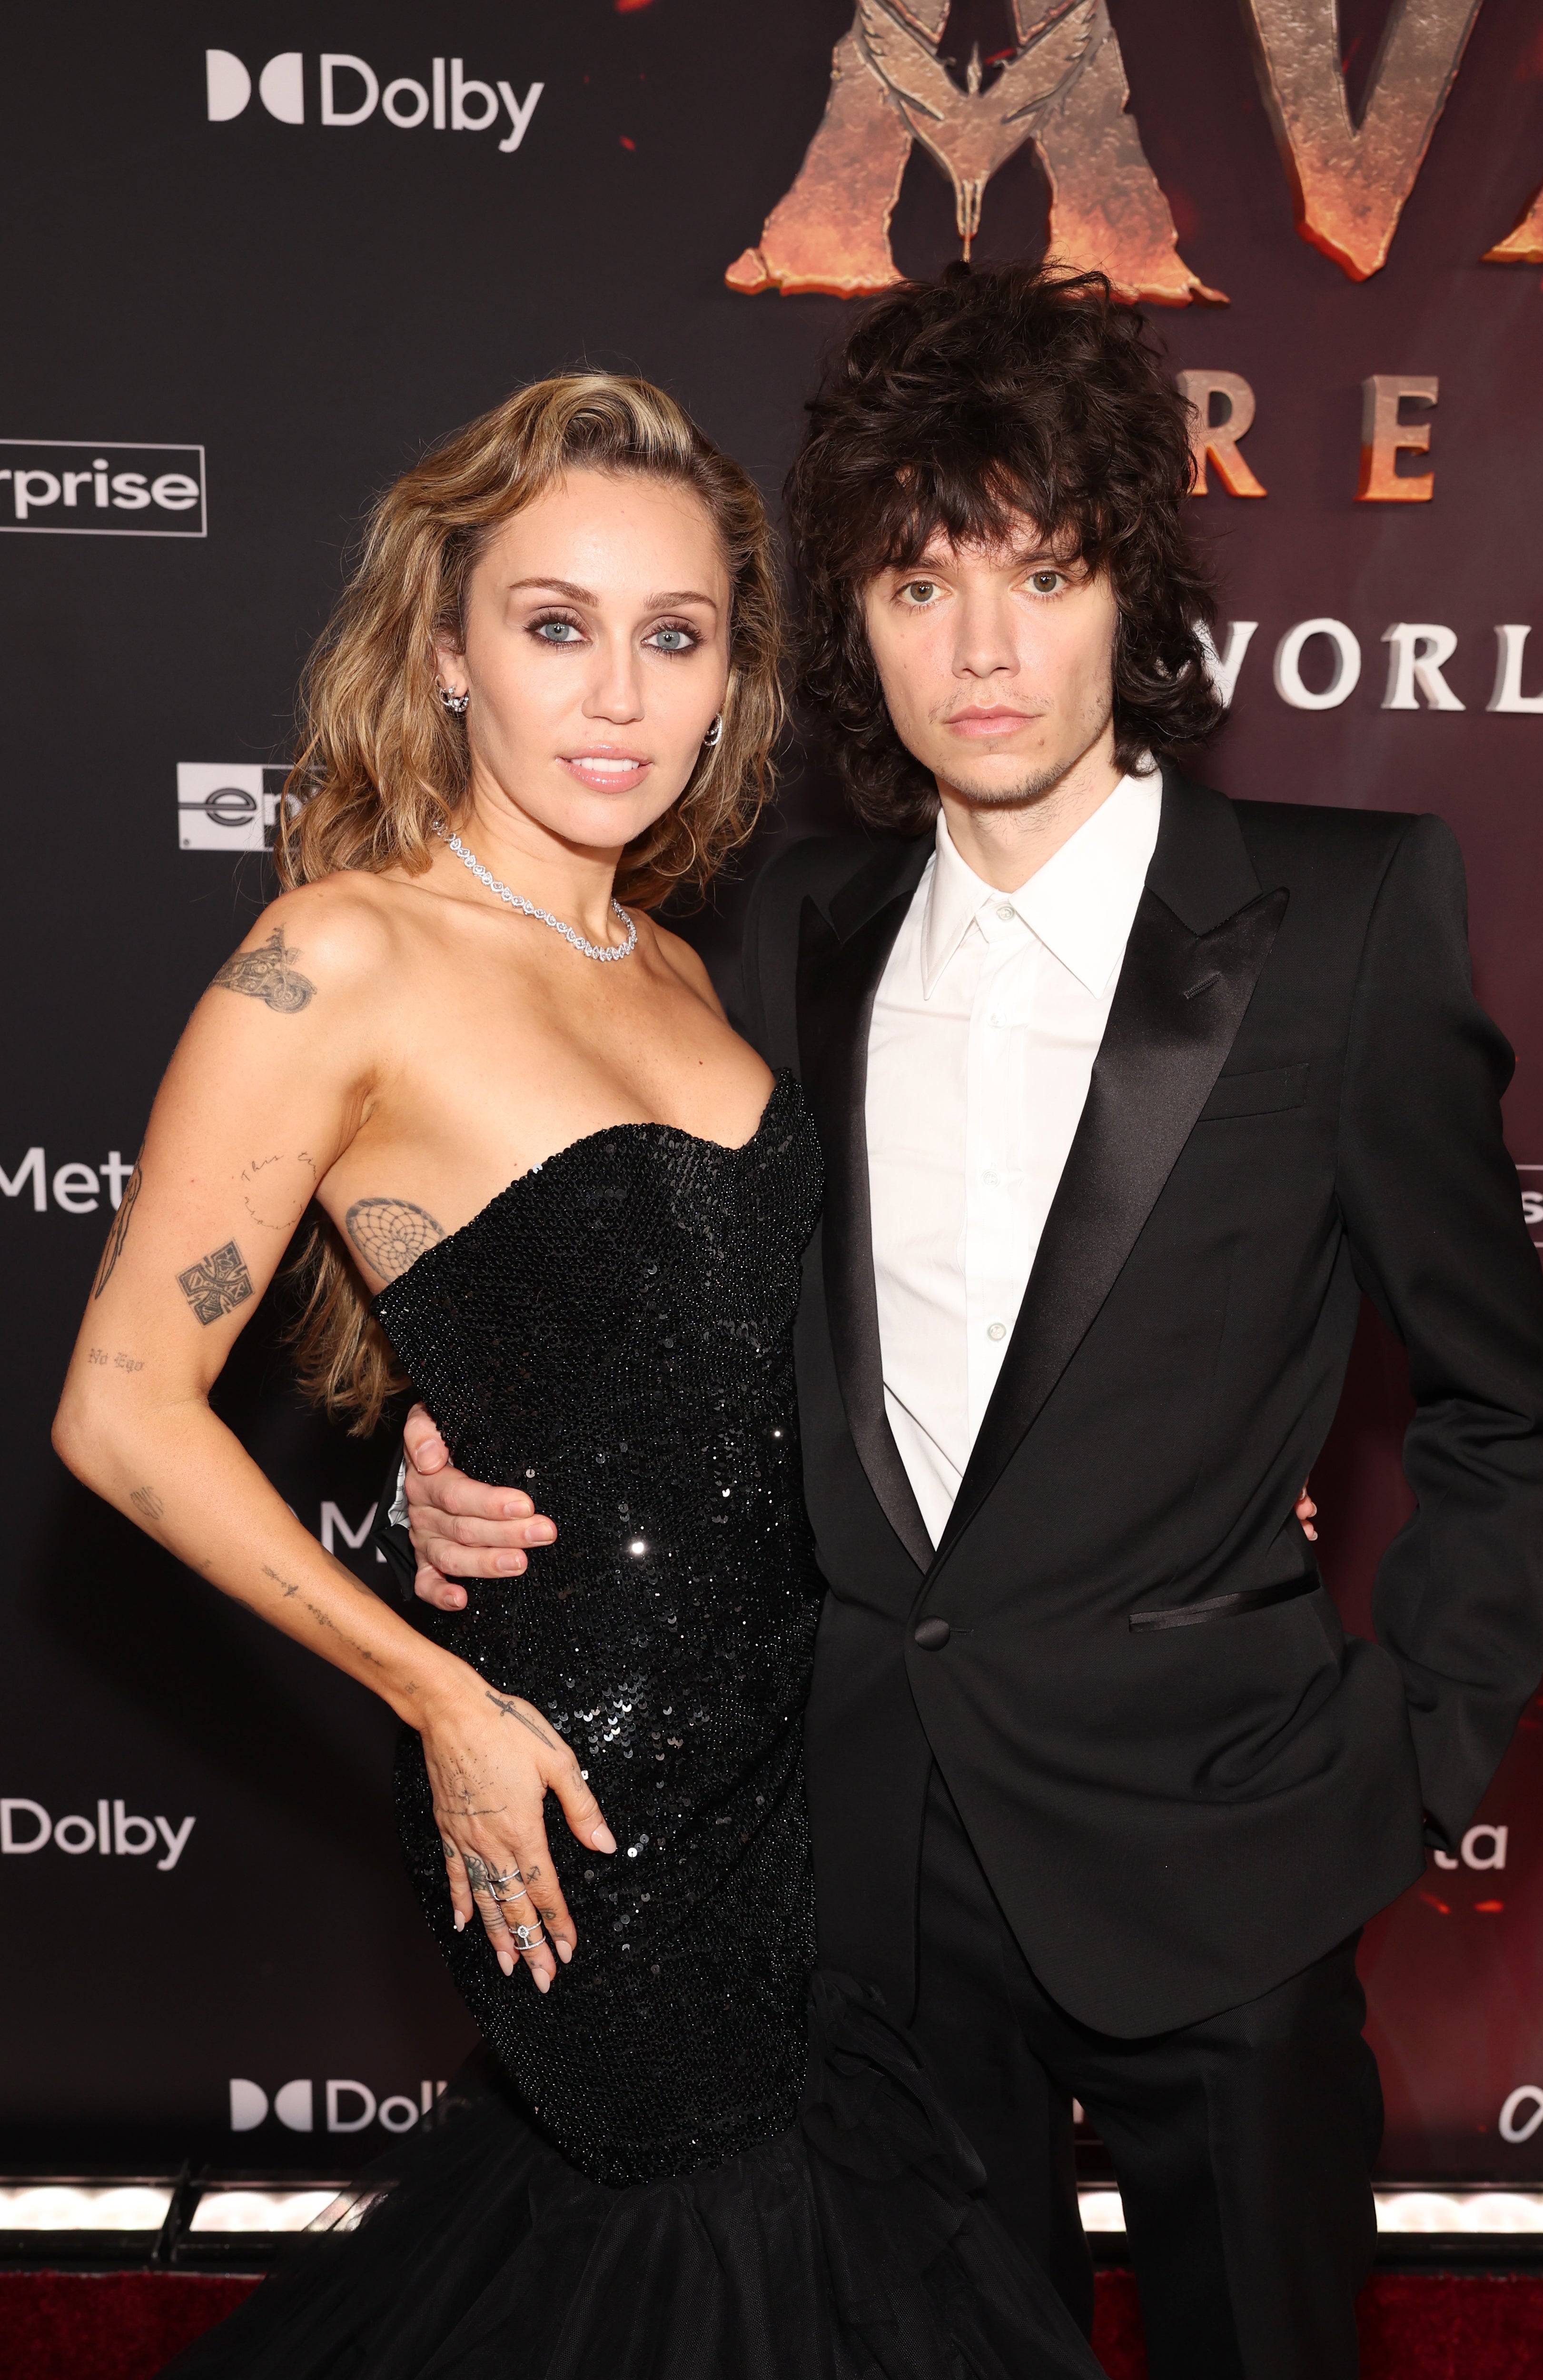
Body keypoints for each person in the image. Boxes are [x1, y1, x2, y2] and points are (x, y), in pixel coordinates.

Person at [399, 266, 1543, 2380]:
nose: (983, 651)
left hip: (1225, 1841)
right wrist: (456, 1454)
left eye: (1044, 575)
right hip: (865, 1854)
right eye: (918, 584)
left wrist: (1412, 1765)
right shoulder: (793, 929)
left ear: (1133, 591)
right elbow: (679, 1315)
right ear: (849, 625)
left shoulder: (1348, 913)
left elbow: (1504, 1401)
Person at [53, 372, 1103, 2379]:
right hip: (571, 1782)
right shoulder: (337, 960)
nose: (618, 695)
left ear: (731, 680)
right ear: (447, 651)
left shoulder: (684, 965)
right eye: (556, 626)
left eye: (674, 636)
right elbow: (118, 1405)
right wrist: (437, 1694)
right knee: (703, 2248)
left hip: (800, 1766)